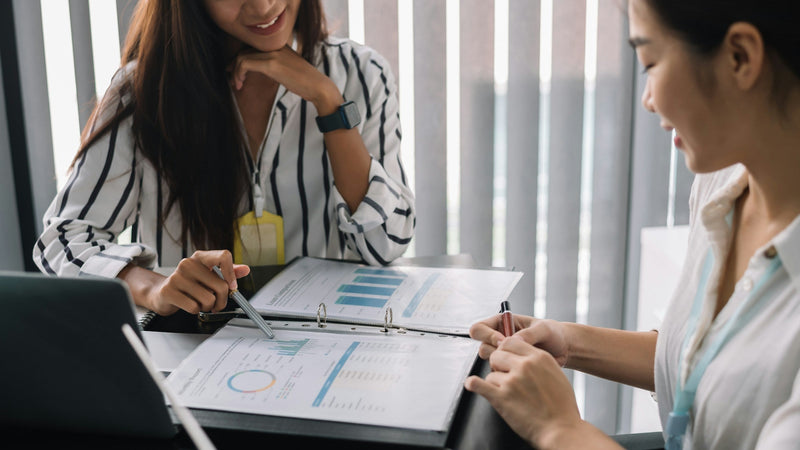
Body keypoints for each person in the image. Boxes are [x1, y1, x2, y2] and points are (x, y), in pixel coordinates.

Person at [464, 0, 800, 448]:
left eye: (651, 63)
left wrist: (558, 428)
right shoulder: (722, 183)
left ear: (740, 56)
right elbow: (710, 361)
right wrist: (567, 341)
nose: (647, 99)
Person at [33, 0, 414, 318]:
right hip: (194, 352)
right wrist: (154, 288)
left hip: (326, 343)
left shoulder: (361, 75)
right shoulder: (144, 90)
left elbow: (386, 244)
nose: (263, 6)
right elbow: (62, 240)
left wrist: (329, 102)